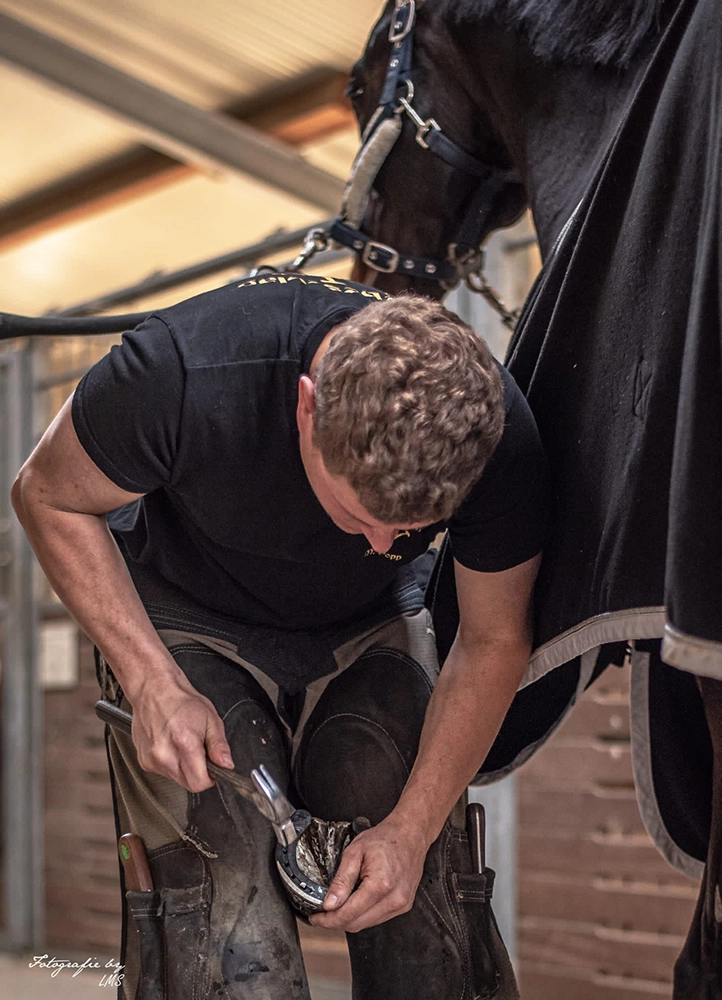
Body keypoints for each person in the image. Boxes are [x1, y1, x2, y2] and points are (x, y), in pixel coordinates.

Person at [12, 273, 548, 1000]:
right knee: (225, 913)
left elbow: (492, 639)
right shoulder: (183, 372)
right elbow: (46, 493)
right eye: (363, 516)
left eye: (415, 528)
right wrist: (149, 680)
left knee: (423, 905)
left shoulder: (497, 439)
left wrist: (413, 831)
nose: (385, 539)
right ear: (306, 408)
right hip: (190, 608)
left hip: (370, 621)